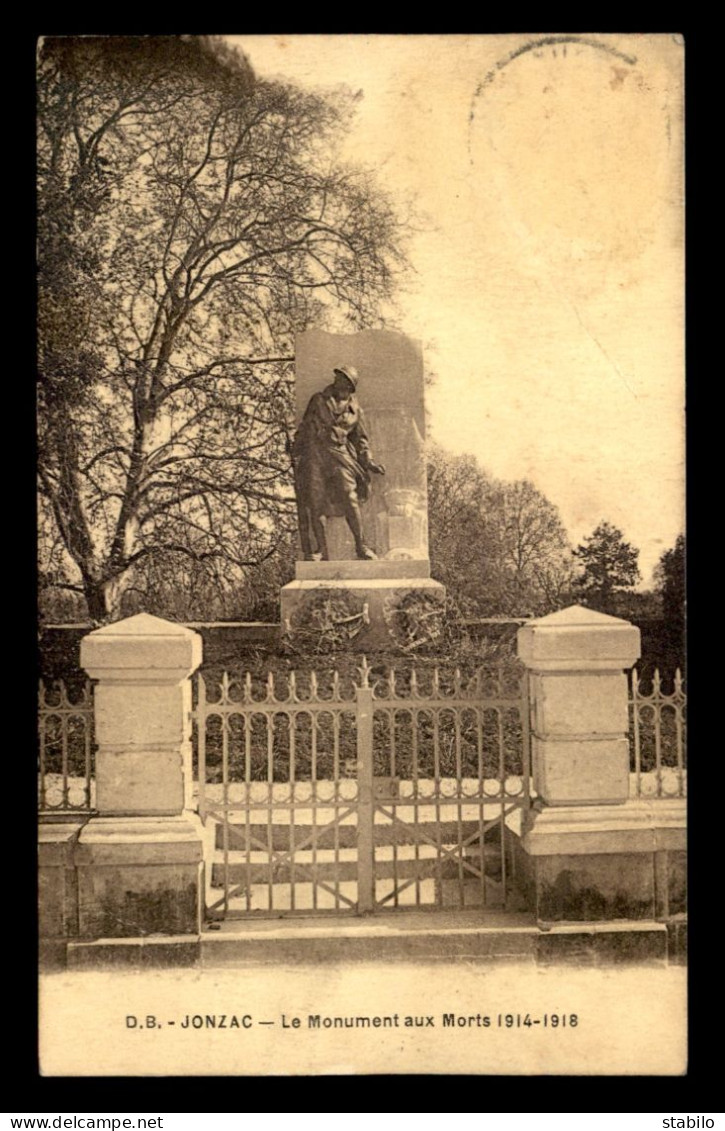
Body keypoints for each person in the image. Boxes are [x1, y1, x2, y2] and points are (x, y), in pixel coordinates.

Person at [291, 365, 386, 560]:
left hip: (340, 455)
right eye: (337, 376)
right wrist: (296, 447)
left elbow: (361, 440)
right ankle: (320, 551)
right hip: (316, 454)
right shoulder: (318, 400)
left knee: (350, 498)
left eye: (342, 378)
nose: (337, 380)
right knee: (315, 504)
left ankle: (361, 546)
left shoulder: (356, 410)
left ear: (350, 386)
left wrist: (369, 461)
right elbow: (305, 425)